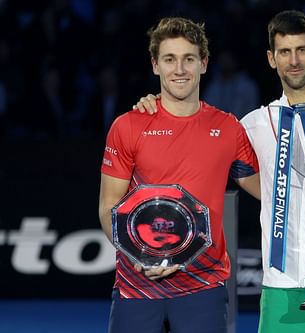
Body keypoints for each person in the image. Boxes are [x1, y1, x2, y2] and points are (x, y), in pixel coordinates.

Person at [134, 10, 305, 333]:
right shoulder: (252, 125)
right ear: (272, 59)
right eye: (284, 52)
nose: (293, 61)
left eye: (301, 50)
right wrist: (157, 104)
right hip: (280, 288)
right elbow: (196, 146)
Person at [98, 17, 260, 333]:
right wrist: (136, 257)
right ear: (155, 65)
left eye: (189, 59)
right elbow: (108, 206)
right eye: (169, 59)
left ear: (204, 63)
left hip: (203, 286)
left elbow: (266, 189)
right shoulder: (128, 126)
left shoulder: (228, 128)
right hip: (138, 286)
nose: (180, 69)